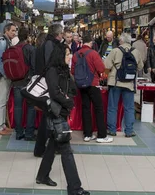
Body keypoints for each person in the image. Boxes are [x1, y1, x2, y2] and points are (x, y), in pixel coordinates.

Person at [35, 42, 88, 195]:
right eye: (66, 54)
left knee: (53, 143)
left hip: (62, 111)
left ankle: (42, 175)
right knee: (66, 150)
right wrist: (68, 101)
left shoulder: (64, 70)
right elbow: (54, 92)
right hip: (56, 112)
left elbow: (72, 88)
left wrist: (68, 97)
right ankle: (75, 188)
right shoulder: (52, 71)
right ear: (59, 55)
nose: (69, 56)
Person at [71, 33, 111, 143]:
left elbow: (73, 71)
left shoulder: (76, 54)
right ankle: (102, 135)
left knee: (86, 109)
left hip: (81, 85)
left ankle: (87, 134)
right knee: (98, 109)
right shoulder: (93, 54)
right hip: (93, 84)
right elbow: (101, 68)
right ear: (91, 43)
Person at [105, 33, 144, 137]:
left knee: (113, 107)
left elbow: (106, 65)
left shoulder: (115, 51)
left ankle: (112, 130)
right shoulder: (136, 52)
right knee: (129, 108)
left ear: (121, 41)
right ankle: (129, 131)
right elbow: (140, 67)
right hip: (129, 84)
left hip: (115, 83)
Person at [34, 24, 64, 157]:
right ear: (59, 33)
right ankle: (44, 148)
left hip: (49, 83)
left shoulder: (48, 43)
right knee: (50, 116)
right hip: (49, 85)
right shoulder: (50, 45)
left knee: (50, 116)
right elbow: (50, 65)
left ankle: (50, 146)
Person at [0, 23, 17, 135]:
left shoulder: (8, 42)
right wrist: (6, 73)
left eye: (15, 31)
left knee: (4, 100)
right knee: (1, 101)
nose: (14, 33)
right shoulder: (2, 42)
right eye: (12, 30)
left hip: (6, 76)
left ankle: (2, 125)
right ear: (6, 31)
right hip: (3, 76)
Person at [13, 27, 37, 140]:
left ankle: (18, 132)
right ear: (28, 36)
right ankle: (29, 133)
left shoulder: (13, 48)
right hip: (28, 82)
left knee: (18, 107)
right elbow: (34, 67)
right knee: (31, 107)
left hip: (16, 81)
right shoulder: (31, 49)